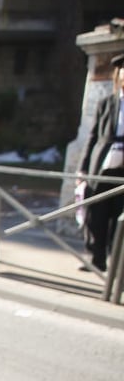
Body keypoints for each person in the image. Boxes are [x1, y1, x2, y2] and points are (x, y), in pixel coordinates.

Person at [77, 52, 124, 273]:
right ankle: (95, 259)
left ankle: (115, 262)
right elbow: (92, 136)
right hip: (102, 166)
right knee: (96, 214)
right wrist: (83, 167)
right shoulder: (108, 103)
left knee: (119, 218)